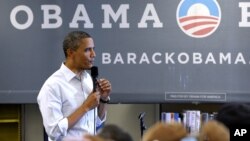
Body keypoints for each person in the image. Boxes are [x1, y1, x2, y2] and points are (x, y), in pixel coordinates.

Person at [37, 31, 112, 141]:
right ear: (70, 53)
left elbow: (96, 123)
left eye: (93, 49)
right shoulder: (52, 86)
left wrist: (104, 99)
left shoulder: (88, 80)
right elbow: (54, 132)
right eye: (87, 50)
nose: (93, 54)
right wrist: (85, 107)